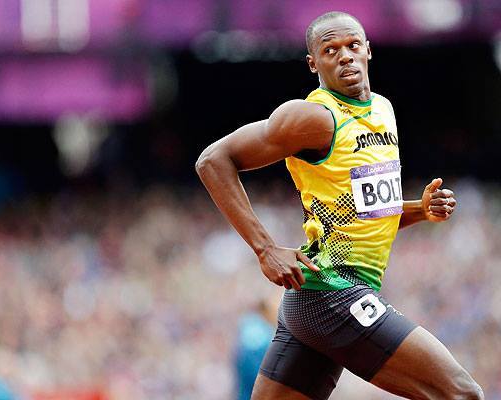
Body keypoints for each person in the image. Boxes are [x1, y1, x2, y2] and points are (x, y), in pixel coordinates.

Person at [196, 11, 483, 400]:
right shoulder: (311, 118)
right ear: (313, 63)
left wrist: (420, 209)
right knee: (462, 394)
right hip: (332, 290)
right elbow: (213, 160)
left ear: (368, 50)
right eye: (330, 50)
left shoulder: (382, 110)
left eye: (352, 45)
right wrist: (264, 248)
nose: (345, 55)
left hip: (317, 300)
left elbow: (361, 211)